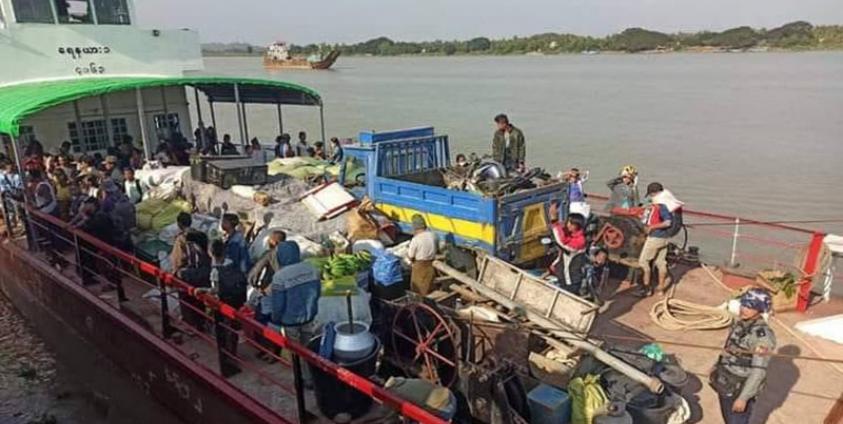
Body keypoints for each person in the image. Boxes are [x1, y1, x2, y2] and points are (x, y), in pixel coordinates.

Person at [710, 288, 776, 424]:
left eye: (750, 307)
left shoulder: (762, 338)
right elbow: (728, 348)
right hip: (726, 381)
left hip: (740, 387)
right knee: (728, 418)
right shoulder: (739, 323)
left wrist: (743, 398)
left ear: (760, 310)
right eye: (743, 304)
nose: (744, 309)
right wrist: (716, 367)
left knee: (737, 421)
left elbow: (759, 371)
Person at [197, 239, 248, 378]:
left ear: (210, 252)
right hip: (235, 302)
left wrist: (202, 290)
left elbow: (216, 289)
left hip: (223, 303)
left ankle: (229, 357)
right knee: (233, 328)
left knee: (224, 330)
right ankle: (233, 352)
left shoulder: (215, 270)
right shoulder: (231, 264)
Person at [636, 182, 683, 297]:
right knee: (660, 262)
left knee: (643, 261)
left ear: (653, 194)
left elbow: (667, 222)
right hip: (665, 237)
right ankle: (661, 289)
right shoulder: (669, 201)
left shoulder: (661, 205)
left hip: (655, 238)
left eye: (651, 195)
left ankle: (646, 289)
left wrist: (651, 226)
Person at [175, 231, 212, 332]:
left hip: (204, 285)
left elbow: (203, 273)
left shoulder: (206, 256)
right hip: (200, 282)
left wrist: (183, 274)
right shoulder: (198, 254)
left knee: (184, 291)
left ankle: (191, 323)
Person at [549, 213, 587, 289]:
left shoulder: (580, 241)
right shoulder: (570, 236)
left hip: (571, 281)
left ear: (578, 225)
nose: (568, 225)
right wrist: (555, 264)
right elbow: (563, 254)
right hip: (563, 278)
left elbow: (562, 243)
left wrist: (554, 222)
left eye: (571, 223)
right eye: (568, 222)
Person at [407, 214, 438, 295]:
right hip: (431, 264)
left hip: (419, 266)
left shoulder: (416, 239)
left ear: (414, 227)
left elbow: (411, 255)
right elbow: (437, 248)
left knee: (418, 289)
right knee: (429, 285)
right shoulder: (433, 235)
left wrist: (411, 261)